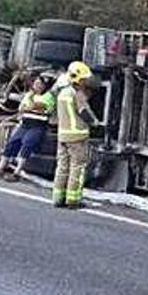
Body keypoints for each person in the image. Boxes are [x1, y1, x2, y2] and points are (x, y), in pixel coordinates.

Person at [52, 61, 100, 208]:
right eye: (85, 79)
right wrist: (94, 122)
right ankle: (73, 200)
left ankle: (58, 198)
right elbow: (83, 112)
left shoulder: (62, 93)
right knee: (77, 168)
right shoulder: (77, 94)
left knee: (62, 167)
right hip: (77, 137)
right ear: (79, 80)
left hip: (63, 136)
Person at [0, 75, 55, 182]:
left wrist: (30, 106)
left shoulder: (49, 96)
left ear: (45, 86)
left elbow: (39, 106)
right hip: (25, 124)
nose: (36, 86)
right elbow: (22, 108)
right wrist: (29, 106)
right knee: (12, 143)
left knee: (27, 144)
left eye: (40, 84)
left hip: (38, 126)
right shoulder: (29, 95)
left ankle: (17, 172)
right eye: (35, 83)